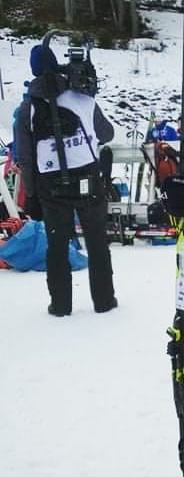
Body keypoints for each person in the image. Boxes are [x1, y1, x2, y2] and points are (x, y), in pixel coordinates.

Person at [15, 43, 117, 315]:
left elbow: (24, 157)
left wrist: (32, 194)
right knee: (97, 243)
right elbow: (106, 134)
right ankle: (104, 301)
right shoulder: (81, 97)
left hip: (52, 186)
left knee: (57, 248)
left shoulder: (27, 109)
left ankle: (60, 305)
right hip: (88, 179)